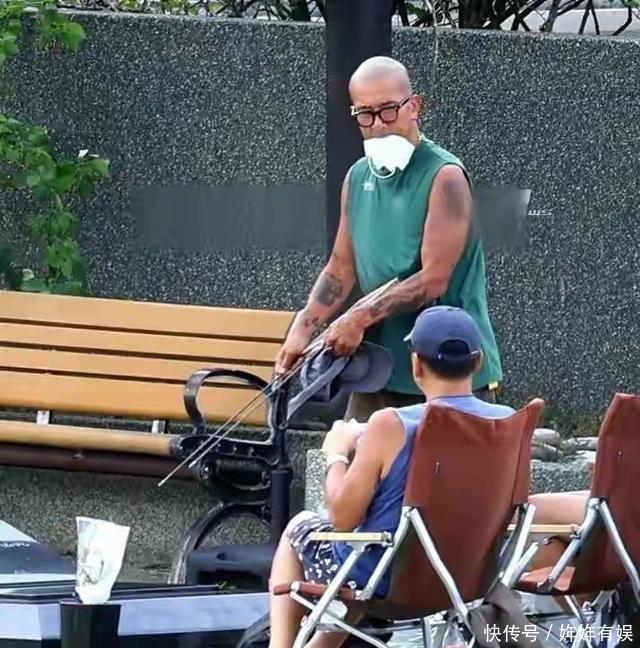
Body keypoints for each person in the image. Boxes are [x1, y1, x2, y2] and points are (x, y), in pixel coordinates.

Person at [268, 306, 515, 648]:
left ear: (416, 365)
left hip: (386, 580)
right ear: (478, 362)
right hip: (465, 579)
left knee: (303, 527)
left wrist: (337, 453)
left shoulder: (391, 424)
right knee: (366, 550)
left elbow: (341, 519)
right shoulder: (505, 421)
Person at [275, 55, 503, 423]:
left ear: (415, 106)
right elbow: (341, 266)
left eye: (388, 110)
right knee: (350, 455)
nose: (379, 124)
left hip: (446, 368)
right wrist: (303, 326)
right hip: (377, 368)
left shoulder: (444, 176)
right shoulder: (358, 176)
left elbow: (433, 279)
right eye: (365, 114)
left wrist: (358, 318)